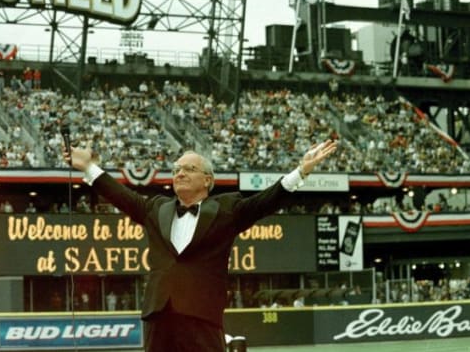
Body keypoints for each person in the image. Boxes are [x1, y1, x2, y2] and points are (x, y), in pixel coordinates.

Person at [65, 140, 337, 352]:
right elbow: (120, 195)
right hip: (158, 315)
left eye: (189, 169)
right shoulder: (156, 207)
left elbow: (266, 201)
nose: (180, 173)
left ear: (208, 179)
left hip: (202, 315)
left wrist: (301, 171)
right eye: (176, 170)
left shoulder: (227, 209)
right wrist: (89, 168)